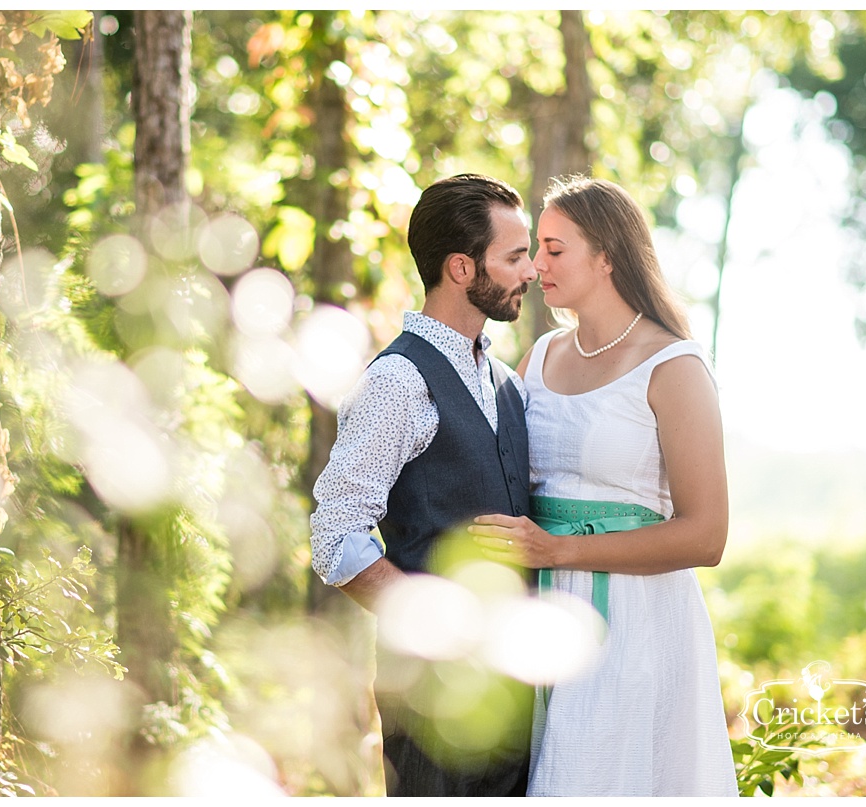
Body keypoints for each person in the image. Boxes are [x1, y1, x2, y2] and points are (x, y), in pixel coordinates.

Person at [470, 175, 738, 797]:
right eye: (536, 248)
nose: (536, 265)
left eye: (555, 249)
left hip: (638, 617)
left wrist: (560, 550)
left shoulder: (674, 366)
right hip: (542, 608)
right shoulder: (538, 356)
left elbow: (707, 536)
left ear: (608, 256)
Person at [310, 173, 539, 797]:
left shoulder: (506, 383)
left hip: (517, 696)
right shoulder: (397, 382)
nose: (532, 271)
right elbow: (336, 534)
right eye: (515, 257)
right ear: (462, 269)